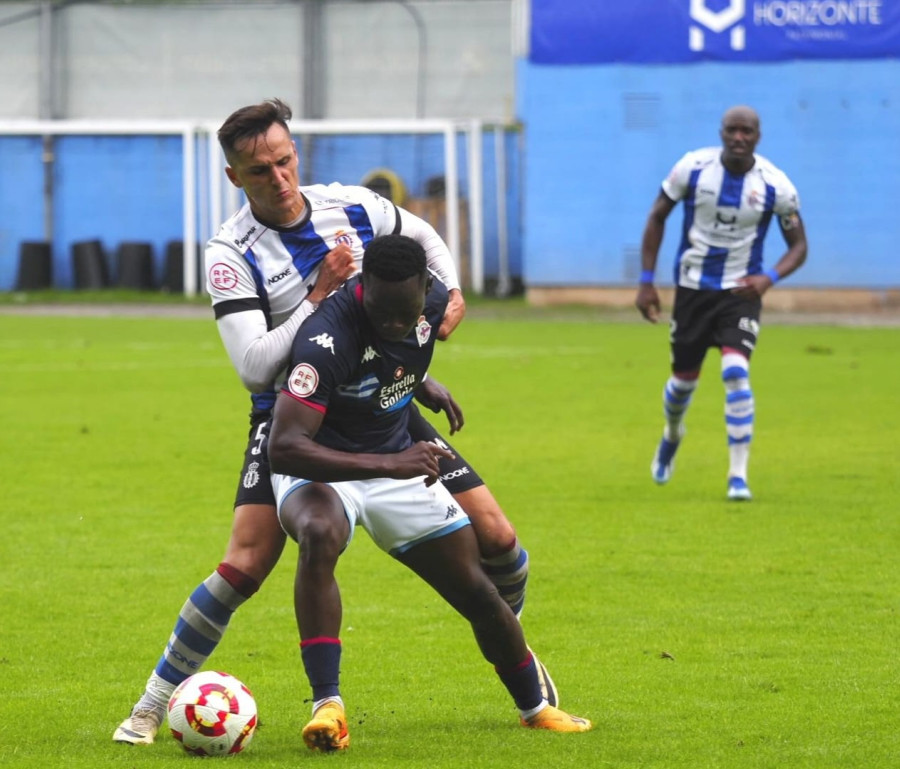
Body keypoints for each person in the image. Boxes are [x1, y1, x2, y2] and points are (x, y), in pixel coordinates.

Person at [114, 99, 555, 746]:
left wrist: (453, 291)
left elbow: (423, 242)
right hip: (295, 415)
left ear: (298, 153)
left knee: (499, 537)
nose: (279, 177)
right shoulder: (230, 252)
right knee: (246, 563)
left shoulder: (353, 206)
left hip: (383, 401)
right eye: (260, 170)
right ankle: (150, 706)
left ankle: (516, 649)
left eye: (285, 160)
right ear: (237, 178)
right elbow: (256, 365)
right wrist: (318, 296)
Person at [268, 234, 592, 750]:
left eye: (407, 311)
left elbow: (397, 346)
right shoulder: (323, 339)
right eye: (383, 311)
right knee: (319, 533)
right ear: (363, 286)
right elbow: (283, 447)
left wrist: (419, 382)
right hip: (323, 467)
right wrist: (390, 463)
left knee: (476, 586)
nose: (397, 323)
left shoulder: (433, 302)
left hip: (396, 456)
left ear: (426, 288)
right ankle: (327, 705)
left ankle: (536, 707)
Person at [635, 105, 808, 501]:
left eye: (746, 131)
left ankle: (738, 476)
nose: (739, 138)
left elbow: (799, 246)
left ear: (758, 137)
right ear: (722, 132)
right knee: (682, 383)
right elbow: (657, 217)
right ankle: (672, 434)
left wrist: (769, 278)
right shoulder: (693, 169)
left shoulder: (776, 186)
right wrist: (646, 282)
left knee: (735, 372)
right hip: (693, 290)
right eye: (732, 130)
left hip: (740, 292)